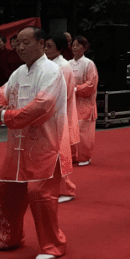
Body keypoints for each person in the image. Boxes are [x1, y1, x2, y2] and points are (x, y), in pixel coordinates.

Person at [0, 27, 71, 259]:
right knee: (5, 189)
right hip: (18, 145)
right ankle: (8, 236)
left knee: (40, 193)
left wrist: (7, 117)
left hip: (47, 143)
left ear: (41, 43)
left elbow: (43, 105)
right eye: (17, 43)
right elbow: (2, 93)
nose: (20, 48)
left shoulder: (52, 71)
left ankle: (53, 244)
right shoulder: (19, 72)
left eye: (26, 42)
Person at [45, 35, 79, 203]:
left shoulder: (63, 66)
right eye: (45, 45)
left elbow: (61, 95)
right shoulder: (48, 64)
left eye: (49, 46)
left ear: (58, 48)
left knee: (61, 154)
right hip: (47, 116)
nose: (46, 49)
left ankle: (66, 189)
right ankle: (50, 187)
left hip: (58, 114)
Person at [69, 36, 98, 166]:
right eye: (73, 45)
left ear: (84, 48)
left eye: (78, 45)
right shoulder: (68, 64)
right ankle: (73, 155)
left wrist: (76, 89)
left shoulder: (88, 63)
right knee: (71, 129)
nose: (75, 48)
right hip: (72, 102)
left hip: (85, 102)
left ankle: (85, 156)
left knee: (83, 130)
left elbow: (91, 84)